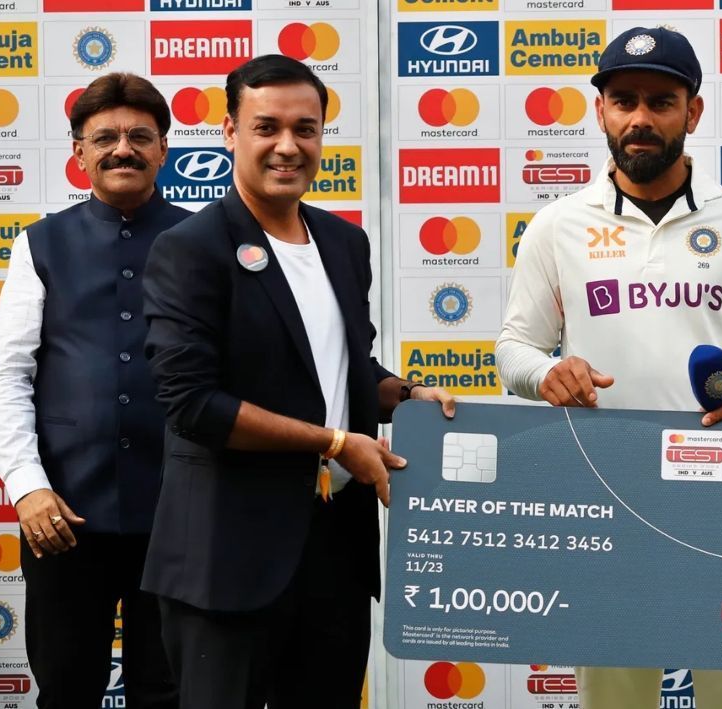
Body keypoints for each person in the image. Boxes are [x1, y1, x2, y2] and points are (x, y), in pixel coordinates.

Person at [495, 26, 722, 709]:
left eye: (661, 101)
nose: (640, 118)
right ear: (601, 110)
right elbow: (515, 347)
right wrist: (544, 374)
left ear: (692, 113)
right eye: (623, 99)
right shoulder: (557, 225)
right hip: (607, 493)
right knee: (616, 697)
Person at [139, 54, 454, 709]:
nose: (288, 146)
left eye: (306, 129)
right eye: (267, 127)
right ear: (230, 132)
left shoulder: (343, 243)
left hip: (335, 553)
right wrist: (336, 442)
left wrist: (405, 394)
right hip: (226, 559)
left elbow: (341, 369)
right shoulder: (189, 248)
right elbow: (192, 404)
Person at [0, 73, 184, 708]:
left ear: (164, 148)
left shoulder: (204, 243)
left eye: (138, 137)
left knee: (170, 694)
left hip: (180, 518)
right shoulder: (40, 243)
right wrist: (28, 487)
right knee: (66, 690)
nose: (122, 149)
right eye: (104, 138)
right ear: (78, 152)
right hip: (62, 518)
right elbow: (8, 374)